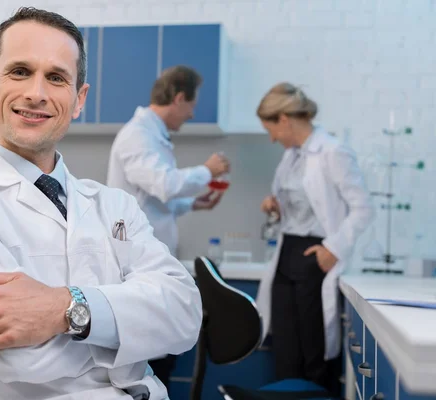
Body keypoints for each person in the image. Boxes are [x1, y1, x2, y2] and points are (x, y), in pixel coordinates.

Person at [0, 7, 202, 400]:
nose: (36, 93)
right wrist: (132, 332)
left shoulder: (115, 206)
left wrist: (65, 307)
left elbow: (184, 315)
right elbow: (22, 359)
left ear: (79, 99)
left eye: (56, 77)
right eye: (19, 72)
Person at [106, 66, 230, 390]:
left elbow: (153, 197)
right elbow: (163, 183)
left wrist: (193, 204)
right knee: (149, 361)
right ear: (178, 98)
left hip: (151, 263)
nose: (191, 114)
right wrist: (208, 169)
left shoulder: (152, 135)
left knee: (161, 357)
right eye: (191, 105)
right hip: (135, 268)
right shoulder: (138, 135)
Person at [254, 83, 375, 395]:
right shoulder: (290, 157)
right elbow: (302, 206)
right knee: (285, 351)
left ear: (284, 119)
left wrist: (332, 249)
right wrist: (276, 207)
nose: (271, 138)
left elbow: (362, 208)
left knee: (314, 354)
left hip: (315, 257)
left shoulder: (333, 152)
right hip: (285, 255)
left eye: (271, 129)